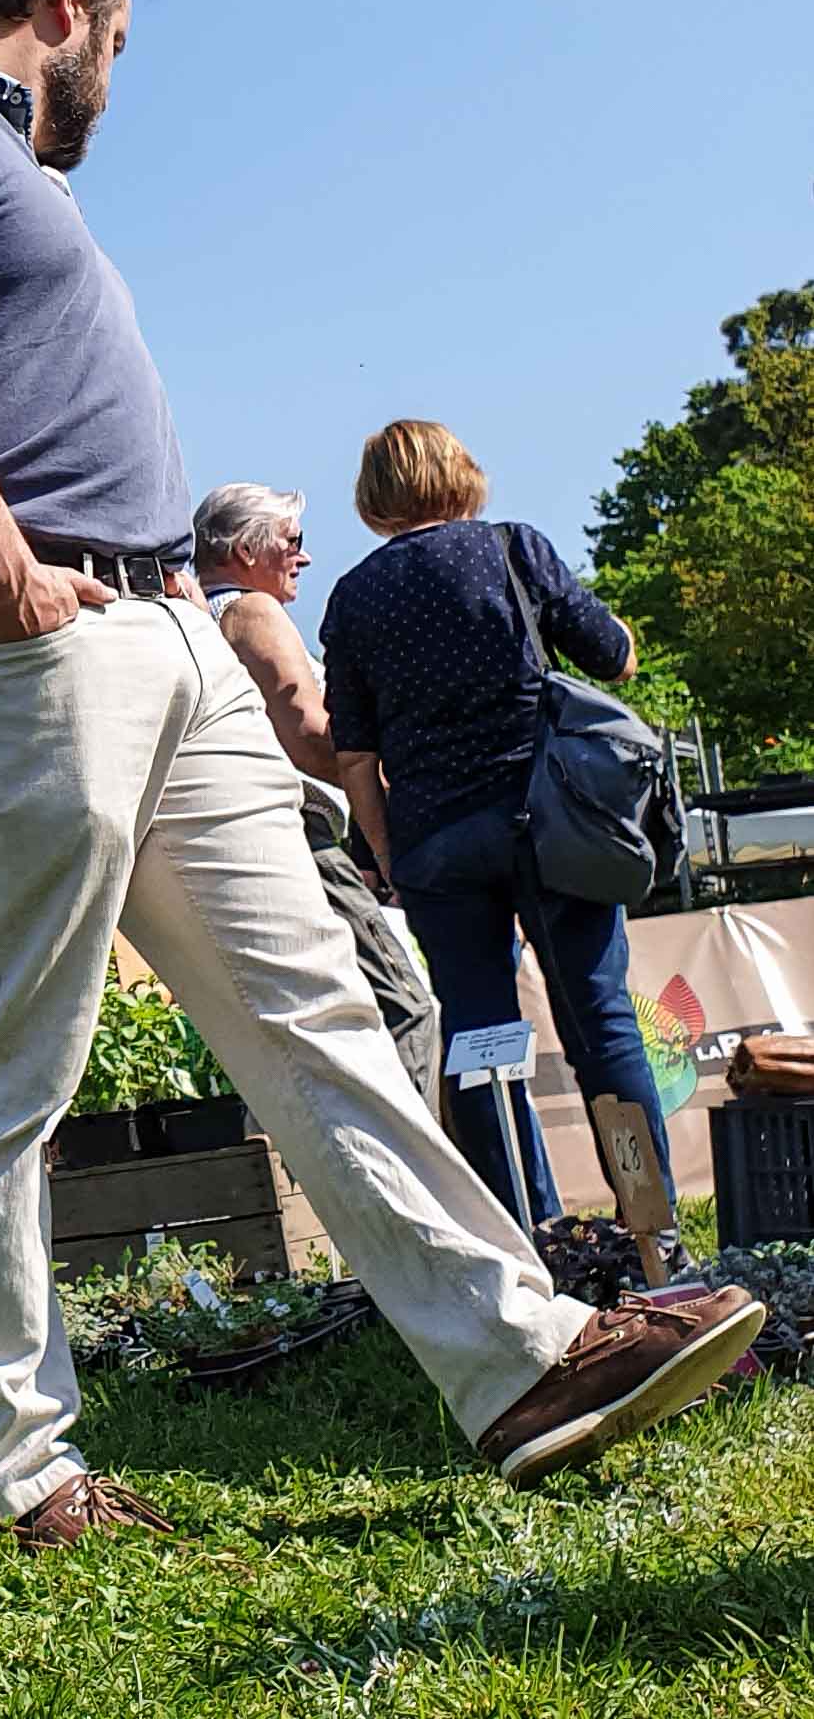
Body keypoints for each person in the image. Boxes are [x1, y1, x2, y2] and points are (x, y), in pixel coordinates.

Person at [0, 0, 757, 1544]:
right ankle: (5, 1475)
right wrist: (11, 572)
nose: (114, 76)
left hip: (155, 633)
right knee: (6, 1052)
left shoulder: (7, 170)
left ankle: (518, 1355)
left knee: (315, 1006)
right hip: (3, 630)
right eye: (123, 38)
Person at [320, 420, 672, 1225]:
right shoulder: (512, 548)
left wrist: (386, 853)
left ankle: (531, 1242)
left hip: (436, 846)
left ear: (374, 498)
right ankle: (651, 1230)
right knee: (599, 1022)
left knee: (482, 1045)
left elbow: (354, 756)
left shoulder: (352, 596)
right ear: (460, 473)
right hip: (549, 831)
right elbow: (612, 655)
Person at [191, 480, 441, 1103]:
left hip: (232, 836)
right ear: (247, 552)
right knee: (406, 1004)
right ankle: (421, 1176)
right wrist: (390, 797)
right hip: (295, 829)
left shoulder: (192, 618)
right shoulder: (253, 611)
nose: (302, 556)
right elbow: (309, 731)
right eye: (292, 541)